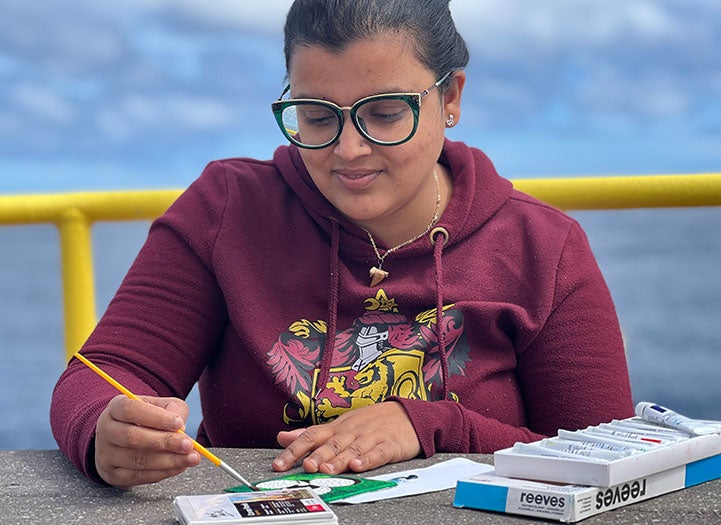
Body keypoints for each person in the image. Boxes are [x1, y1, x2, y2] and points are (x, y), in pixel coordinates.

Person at [51, 0, 633, 489]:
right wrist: (105, 430)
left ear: (451, 98)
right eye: (316, 116)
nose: (348, 150)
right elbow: (105, 373)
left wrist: (434, 427)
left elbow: (608, 461)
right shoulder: (227, 210)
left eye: (383, 114)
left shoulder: (541, 247)